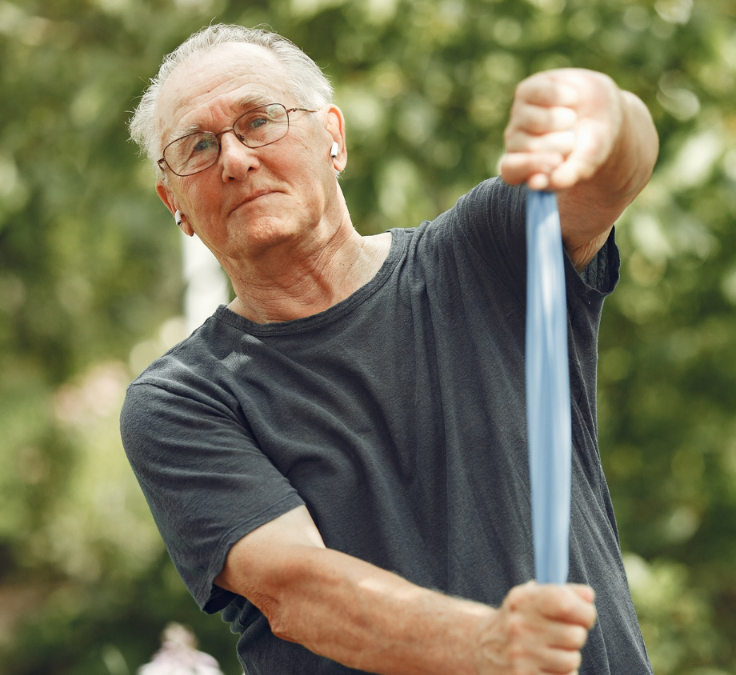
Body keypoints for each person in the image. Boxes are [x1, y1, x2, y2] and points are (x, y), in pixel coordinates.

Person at [121, 23, 659, 675]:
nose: (233, 159)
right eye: (198, 146)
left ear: (334, 137)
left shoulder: (482, 253)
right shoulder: (182, 399)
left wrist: (605, 117)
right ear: (173, 201)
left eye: (259, 120)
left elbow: (605, 182)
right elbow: (298, 590)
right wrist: (486, 642)